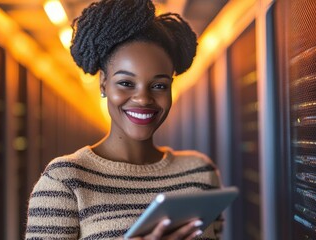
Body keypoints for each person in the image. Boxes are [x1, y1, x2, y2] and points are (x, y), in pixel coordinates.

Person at [25, 0, 222, 239]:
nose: (143, 98)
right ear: (103, 85)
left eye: (159, 85)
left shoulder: (200, 172)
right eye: (126, 83)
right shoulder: (64, 180)